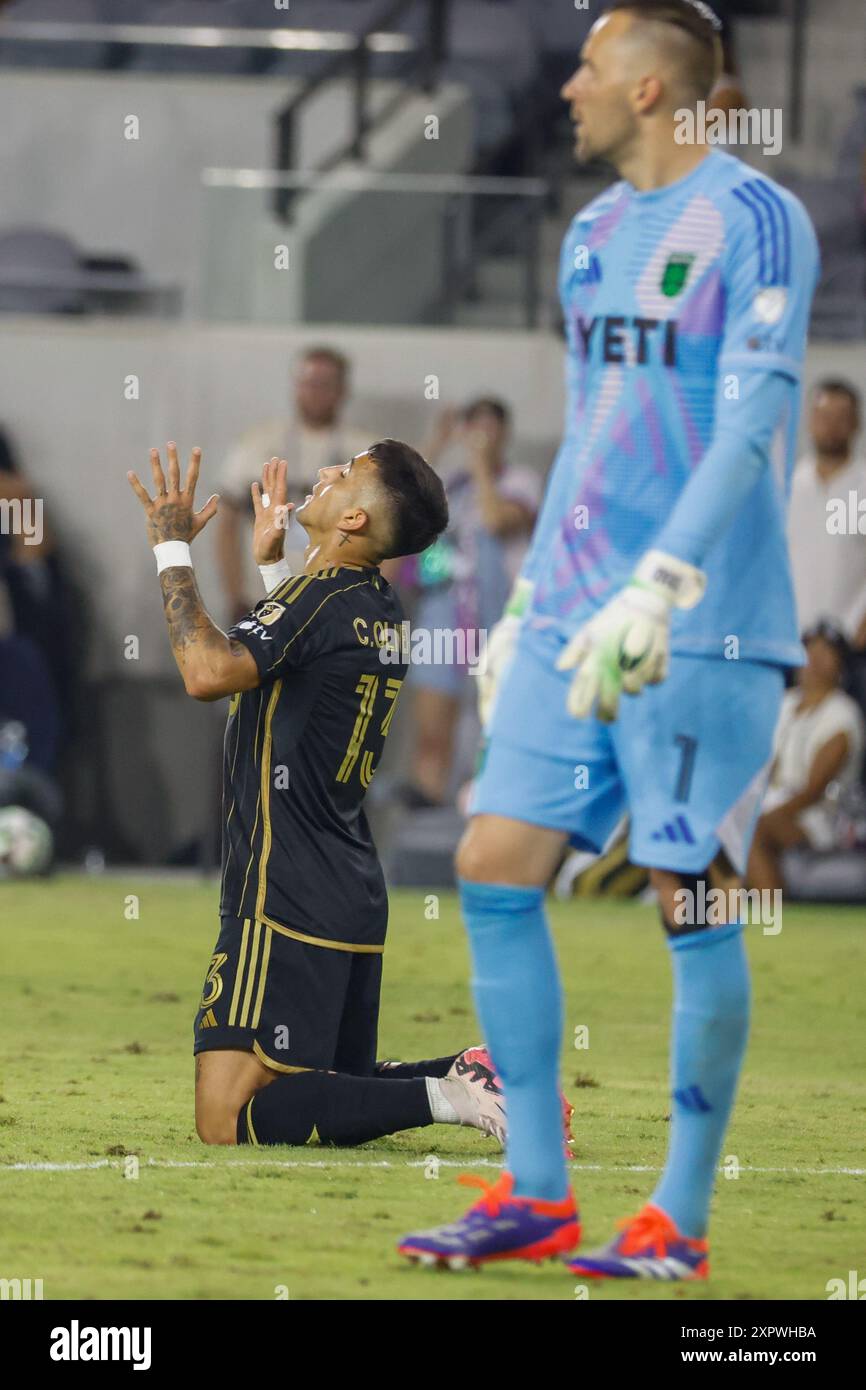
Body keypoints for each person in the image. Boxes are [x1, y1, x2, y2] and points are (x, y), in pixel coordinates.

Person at [399, 0, 820, 1279]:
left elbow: (749, 426)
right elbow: (590, 429)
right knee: (490, 860)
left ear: (648, 87)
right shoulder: (586, 238)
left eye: (589, 63)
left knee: (692, 897)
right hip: (576, 615)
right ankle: (535, 1193)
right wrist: (536, 592)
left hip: (699, 626)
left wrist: (660, 586)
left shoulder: (757, 221)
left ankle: (676, 1223)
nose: (566, 83)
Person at [128, 442, 571, 1152]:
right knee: (331, 1080)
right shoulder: (378, 607)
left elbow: (209, 672)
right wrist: (280, 568)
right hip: (347, 890)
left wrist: (172, 548)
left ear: (356, 516)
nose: (325, 474)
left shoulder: (319, 598)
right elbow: (300, 674)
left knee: (227, 1116)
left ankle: (452, 1095)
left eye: (345, 473)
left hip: (282, 893)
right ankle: (471, 1071)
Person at [399, 398, 540, 808]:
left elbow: (497, 521)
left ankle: (489, 805)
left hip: (498, 613)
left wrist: (480, 462)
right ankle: (428, 802)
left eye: (489, 429)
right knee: (433, 721)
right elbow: (402, 500)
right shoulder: (451, 485)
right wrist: (437, 443)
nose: (479, 439)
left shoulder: (521, 481)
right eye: (472, 429)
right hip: (443, 609)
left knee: (494, 722)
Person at [216, 347, 374, 621]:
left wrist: (375, 595)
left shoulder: (365, 451)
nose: (315, 392)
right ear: (295, 386)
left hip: (338, 604)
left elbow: (389, 527)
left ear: (342, 390)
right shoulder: (256, 444)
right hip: (263, 599)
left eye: (325, 384)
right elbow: (227, 524)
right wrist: (234, 593)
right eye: (308, 383)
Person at [748, 622, 865, 893]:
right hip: (774, 803)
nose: (814, 659)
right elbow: (763, 765)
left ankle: (776, 916)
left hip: (822, 817)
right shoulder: (784, 704)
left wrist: (762, 816)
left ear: (840, 666)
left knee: (754, 830)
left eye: (826, 653)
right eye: (809, 650)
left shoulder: (843, 714)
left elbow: (813, 791)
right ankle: (720, 922)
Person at [788, 380, 866, 649]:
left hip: (852, 640)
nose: (831, 426)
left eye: (841, 417)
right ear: (809, 420)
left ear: (856, 423)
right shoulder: (789, 486)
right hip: (794, 636)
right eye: (823, 416)